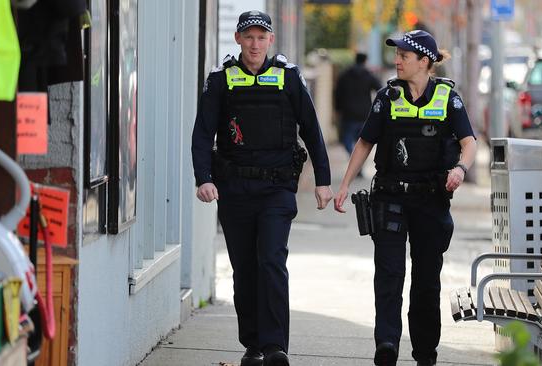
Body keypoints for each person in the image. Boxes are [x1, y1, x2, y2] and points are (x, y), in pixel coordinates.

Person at [191, 10, 333, 366]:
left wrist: (323, 181)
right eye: (248, 37)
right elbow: (202, 134)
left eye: (261, 37)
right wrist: (203, 177)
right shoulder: (221, 79)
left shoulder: (288, 77)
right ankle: (252, 345)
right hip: (235, 187)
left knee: (271, 260)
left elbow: (312, 130)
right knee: (244, 268)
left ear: (271, 40)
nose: (255, 44)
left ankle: (274, 347)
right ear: (238, 39)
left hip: (277, 189)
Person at [333, 30, 477, 366]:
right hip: (390, 199)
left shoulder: (447, 99)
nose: (396, 61)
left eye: (404, 56)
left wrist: (460, 169)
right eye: (396, 55)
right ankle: (386, 344)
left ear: (424, 62)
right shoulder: (387, 97)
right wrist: (344, 185)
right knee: (388, 276)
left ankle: (425, 353)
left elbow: (469, 142)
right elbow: (365, 143)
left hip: (431, 201)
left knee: (426, 283)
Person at [334, 52, 382, 157]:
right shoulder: (368, 75)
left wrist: (337, 109)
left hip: (348, 113)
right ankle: (357, 162)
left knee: (346, 140)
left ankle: (354, 159)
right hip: (364, 113)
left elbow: (337, 93)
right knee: (362, 142)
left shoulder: (344, 75)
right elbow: (380, 89)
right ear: (365, 61)